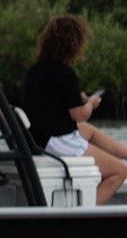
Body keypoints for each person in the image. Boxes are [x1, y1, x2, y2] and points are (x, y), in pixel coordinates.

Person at [20, 14, 126, 204]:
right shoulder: (65, 73)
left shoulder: (35, 71)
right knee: (119, 171)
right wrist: (90, 104)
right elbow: (79, 115)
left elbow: (49, 102)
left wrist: (78, 99)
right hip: (55, 141)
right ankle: (86, 213)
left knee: (89, 131)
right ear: (74, 44)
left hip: (36, 137)